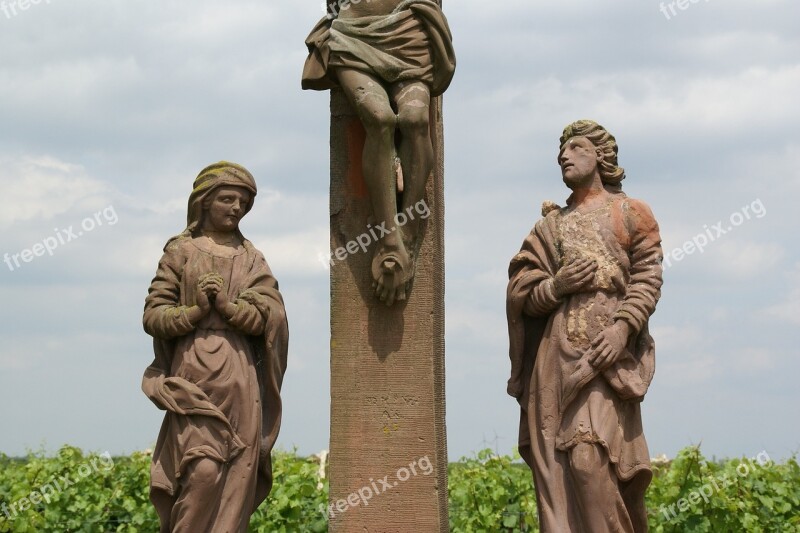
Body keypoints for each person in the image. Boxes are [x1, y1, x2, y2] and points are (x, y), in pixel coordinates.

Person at [506, 121, 663, 532]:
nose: (564, 155)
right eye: (561, 150)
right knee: (557, 471)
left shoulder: (630, 212)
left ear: (600, 156)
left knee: (588, 458)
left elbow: (648, 277)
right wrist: (556, 286)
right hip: (555, 359)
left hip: (607, 357)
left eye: (575, 147)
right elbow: (523, 295)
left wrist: (622, 329)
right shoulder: (549, 227)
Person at [141, 162, 288, 532]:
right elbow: (153, 316)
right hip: (192, 378)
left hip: (240, 380)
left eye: (242, 202)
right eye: (227, 199)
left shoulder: (252, 257)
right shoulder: (181, 252)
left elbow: (269, 318)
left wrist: (228, 307)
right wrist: (194, 312)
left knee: (236, 479)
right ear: (204, 202)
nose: (235, 208)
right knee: (203, 471)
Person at [302, 0, 456, 305]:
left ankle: (408, 229)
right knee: (380, 119)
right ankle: (388, 238)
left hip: (409, 31)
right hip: (354, 35)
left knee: (414, 119)